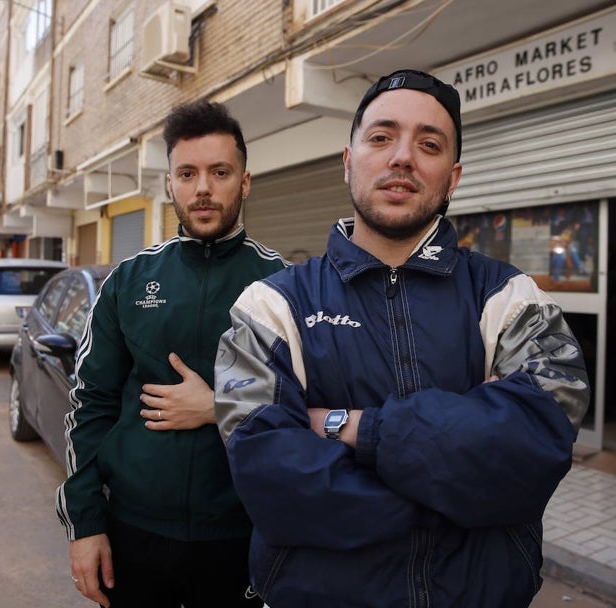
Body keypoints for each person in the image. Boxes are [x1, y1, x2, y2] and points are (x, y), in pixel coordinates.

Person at [214, 69, 590, 607]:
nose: (402, 158)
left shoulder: (511, 298)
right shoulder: (271, 307)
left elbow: (539, 442)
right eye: (381, 137)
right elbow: (270, 480)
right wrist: (458, 490)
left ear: (453, 177)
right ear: (349, 162)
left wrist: (357, 429)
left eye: (429, 144)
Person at [56, 100, 286, 608]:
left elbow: (315, 406)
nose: (203, 187)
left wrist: (220, 405)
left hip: (242, 537)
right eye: (187, 173)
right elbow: (89, 405)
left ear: (244, 182)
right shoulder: (128, 282)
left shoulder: (284, 285)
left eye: (219, 172)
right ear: (170, 185)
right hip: (133, 534)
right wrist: (86, 524)